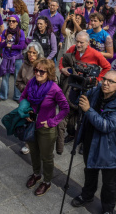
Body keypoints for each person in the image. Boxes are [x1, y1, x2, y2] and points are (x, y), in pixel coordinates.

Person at [71, 70, 116, 212]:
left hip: (109, 149)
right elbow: (78, 102)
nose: (105, 83)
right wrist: (78, 89)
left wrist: (88, 110)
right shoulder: (97, 91)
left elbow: (106, 126)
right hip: (90, 141)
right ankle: (87, 195)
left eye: (111, 81)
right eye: (104, 79)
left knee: (109, 183)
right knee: (89, 172)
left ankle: (108, 208)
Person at [21, 58, 69, 196]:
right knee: (34, 152)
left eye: (42, 71)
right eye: (36, 70)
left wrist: (52, 122)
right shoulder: (31, 83)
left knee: (47, 157)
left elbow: (65, 108)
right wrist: (25, 111)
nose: (38, 73)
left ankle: (47, 182)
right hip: (31, 125)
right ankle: (36, 174)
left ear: (49, 73)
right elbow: (23, 97)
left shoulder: (54, 89)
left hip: (46, 129)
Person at [0, 15, 27, 101]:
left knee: (17, 78)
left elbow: (22, 46)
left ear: (17, 23)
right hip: (6, 57)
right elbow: (1, 45)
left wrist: (11, 46)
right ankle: (3, 96)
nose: (11, 23)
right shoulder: (5, 32)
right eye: (9, 21)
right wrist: (6, 40)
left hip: (17, 58)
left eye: (13, 21)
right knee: (4, 77)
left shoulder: (20, 32)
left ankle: (17, 96)